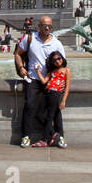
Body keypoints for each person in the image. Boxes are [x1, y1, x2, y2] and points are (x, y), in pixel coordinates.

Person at [15, 16, 65, 147]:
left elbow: (63, 64)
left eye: (49, 26)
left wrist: (62, 79)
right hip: (33, 79)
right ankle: (26, 136)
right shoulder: (30, 38)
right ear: (38, 26)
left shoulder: (56, 43)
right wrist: (21, 68)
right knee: (30, 106)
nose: (47, 28)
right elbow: (18, 53)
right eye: (44, 26)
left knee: (54, 110)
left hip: (51, 80)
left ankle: (60, 136)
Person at [37, 50, 71, 148]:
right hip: (46, 92)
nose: (57, 61)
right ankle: (54, 134)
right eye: (54, 60)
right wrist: (37, 71)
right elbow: (44, 81)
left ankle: (45, 139)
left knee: (50, 116)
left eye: (59, 58)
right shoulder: (51, 71)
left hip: (55, 94)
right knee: (39, 114)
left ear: (62, 58)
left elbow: (67, 87)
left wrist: (63, 100)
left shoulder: (66, 70)